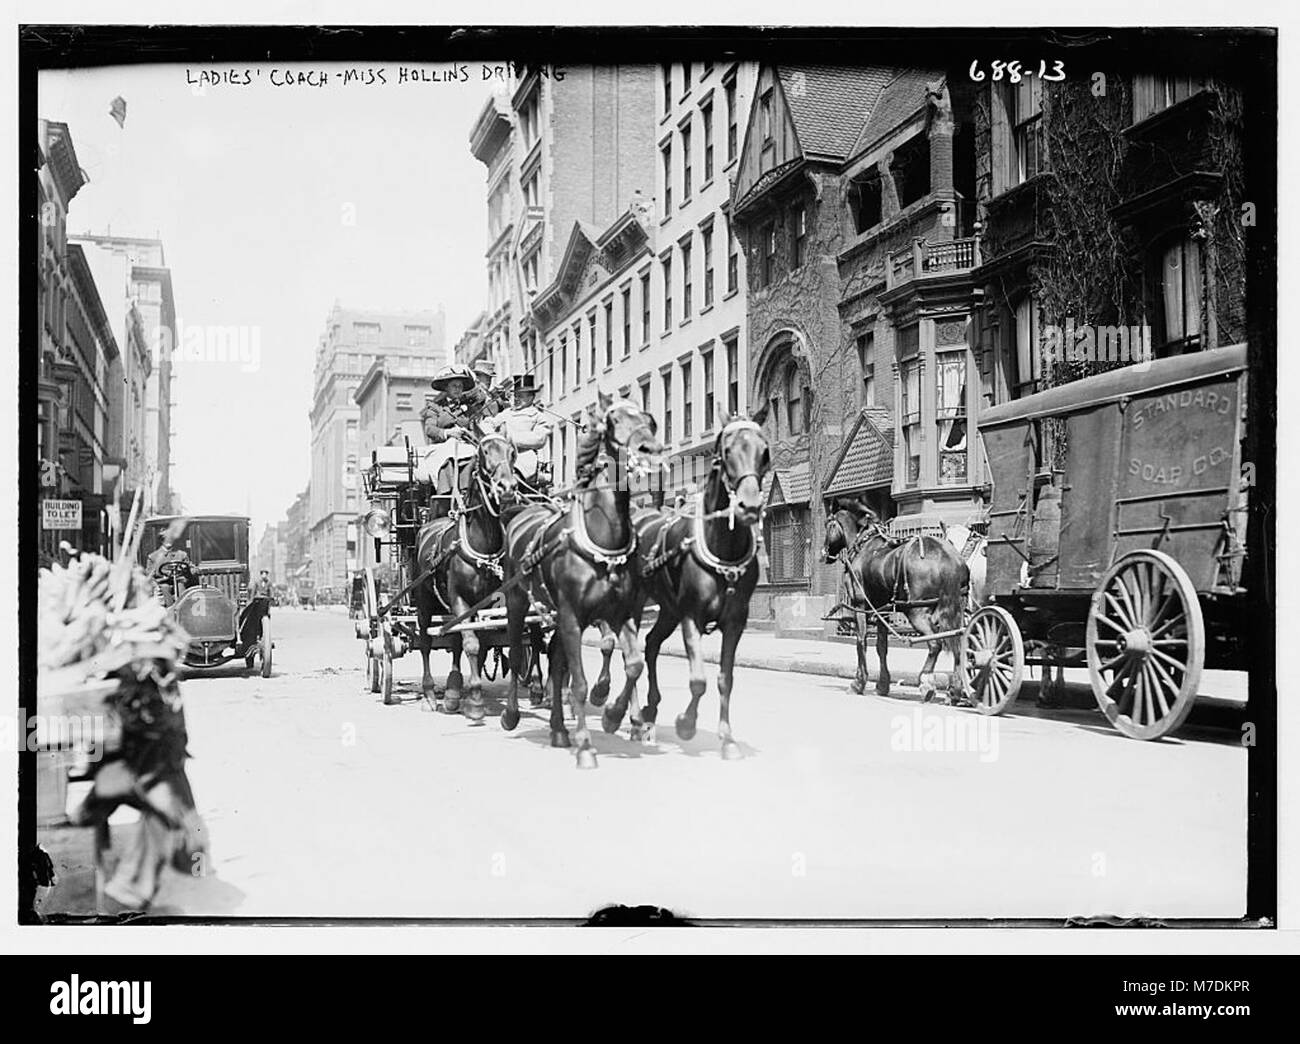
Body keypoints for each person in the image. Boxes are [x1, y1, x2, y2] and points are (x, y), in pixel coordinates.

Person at [419, 364, 483, 515]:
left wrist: (467, 433)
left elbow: (477, 423)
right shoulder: (435, 407)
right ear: (446, 388)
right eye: (454, 386)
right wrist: (448, 433)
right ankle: (446, 496)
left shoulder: (469, 407)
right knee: (447, 458)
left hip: (465, 445)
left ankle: (467, 493)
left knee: (473, 456)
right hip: (442, 446)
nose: (457, 389)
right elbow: (430, 429)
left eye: (460, 386)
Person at [490, 373, 553, 492]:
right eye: (516, 396)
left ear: (531, 397)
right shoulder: (507, 413)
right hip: (502, 458)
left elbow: (539, 439)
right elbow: (490, 423)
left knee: (512, 478)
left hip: (523, 459)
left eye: (521, 396)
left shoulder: (538, 416)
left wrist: (508, 438)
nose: (517, 399)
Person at [145, 522, 195, 605]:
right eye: (165, 538)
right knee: (165, 588)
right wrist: (155, 586)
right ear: (161, 540)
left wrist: (189, 570)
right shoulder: (153, 557)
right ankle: (169, 611)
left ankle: (182, 608)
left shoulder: (181, 554)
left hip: (180, 581)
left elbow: (192, 569)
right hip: (163, 584)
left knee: (181, 585)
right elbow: (149, 576)